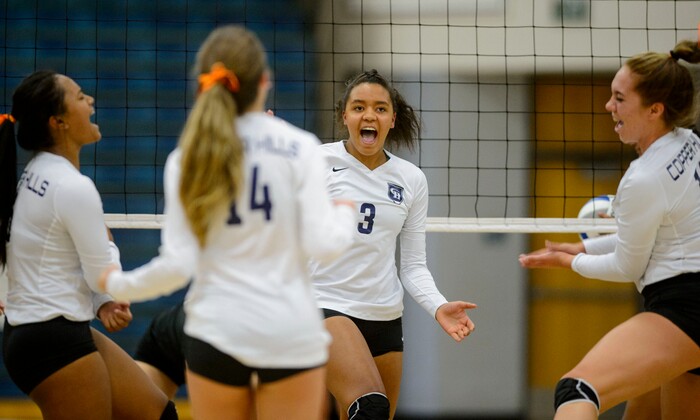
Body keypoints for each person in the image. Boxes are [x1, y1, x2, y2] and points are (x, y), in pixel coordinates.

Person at [99, 25, 356, 420]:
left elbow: (177, 267)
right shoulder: (300, 147)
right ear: (264, 82)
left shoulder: (187, 158)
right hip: (289, 331)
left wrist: (117, 284)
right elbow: (326, 246)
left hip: (216, 333)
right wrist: (344, 212)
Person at [519, 39, 700, 419]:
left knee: (576, 388)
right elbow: (656, 237)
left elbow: (627, 266)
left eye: (619, 98)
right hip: (687, 308)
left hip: (684, 309)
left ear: (655, 108)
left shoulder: (644, 177)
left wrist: (569, 265)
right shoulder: (689, 142)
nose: (609, 106)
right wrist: (582, 249)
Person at [0, 70, 177, 419]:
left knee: (158, 413)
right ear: (59, 122)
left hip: (43, 331)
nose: (91, 102)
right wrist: (109, 255)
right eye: (80, 97)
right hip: (52, 338)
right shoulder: (70, 187)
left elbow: (61, 260)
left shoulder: (36, 175)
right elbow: (102, 273)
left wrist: (102, 304)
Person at [309, 69, 478, 420]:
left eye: (379, 108)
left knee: (373, 413)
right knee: (370, 405)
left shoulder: (411, 179)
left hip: (385, 317)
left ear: (391, 119)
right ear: (345, 116)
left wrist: (438, 306)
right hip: (326, 305)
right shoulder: (315, 162)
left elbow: (413, 265)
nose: (369, 115)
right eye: (359, 108)